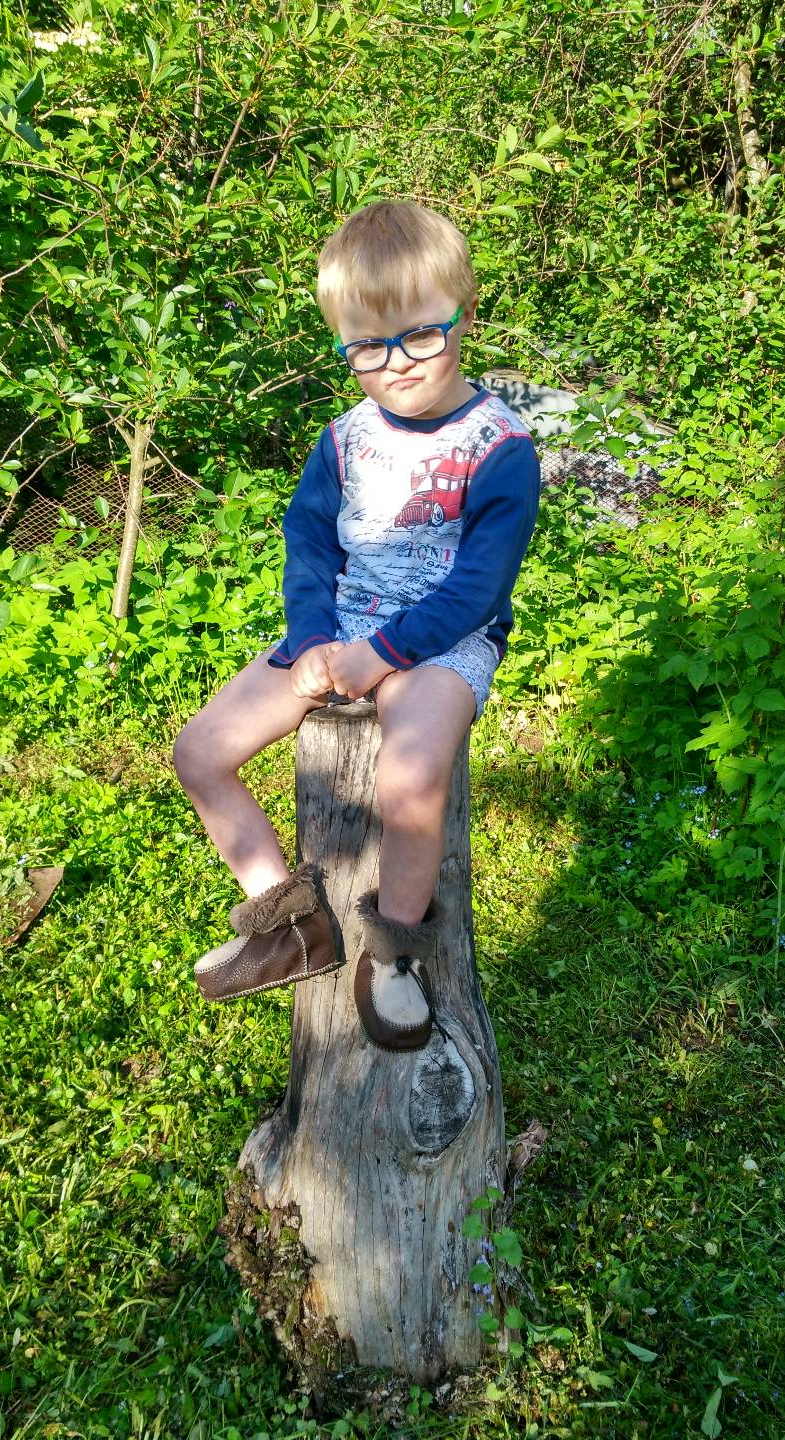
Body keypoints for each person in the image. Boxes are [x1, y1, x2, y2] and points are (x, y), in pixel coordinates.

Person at [173, 200, 540, 1051]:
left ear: (464, 315)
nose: (396, 363)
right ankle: (288, 923)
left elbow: (480, 586)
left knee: (411, 776)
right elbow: (308, 546)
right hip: (340, 627)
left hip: (445, 642)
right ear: (342, 342)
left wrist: (383, 652)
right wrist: (312, 640)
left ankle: (395, 953)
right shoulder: (342, 441)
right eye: (367, 346)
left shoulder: (500, 447)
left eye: (421, 335)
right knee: (199, 751)